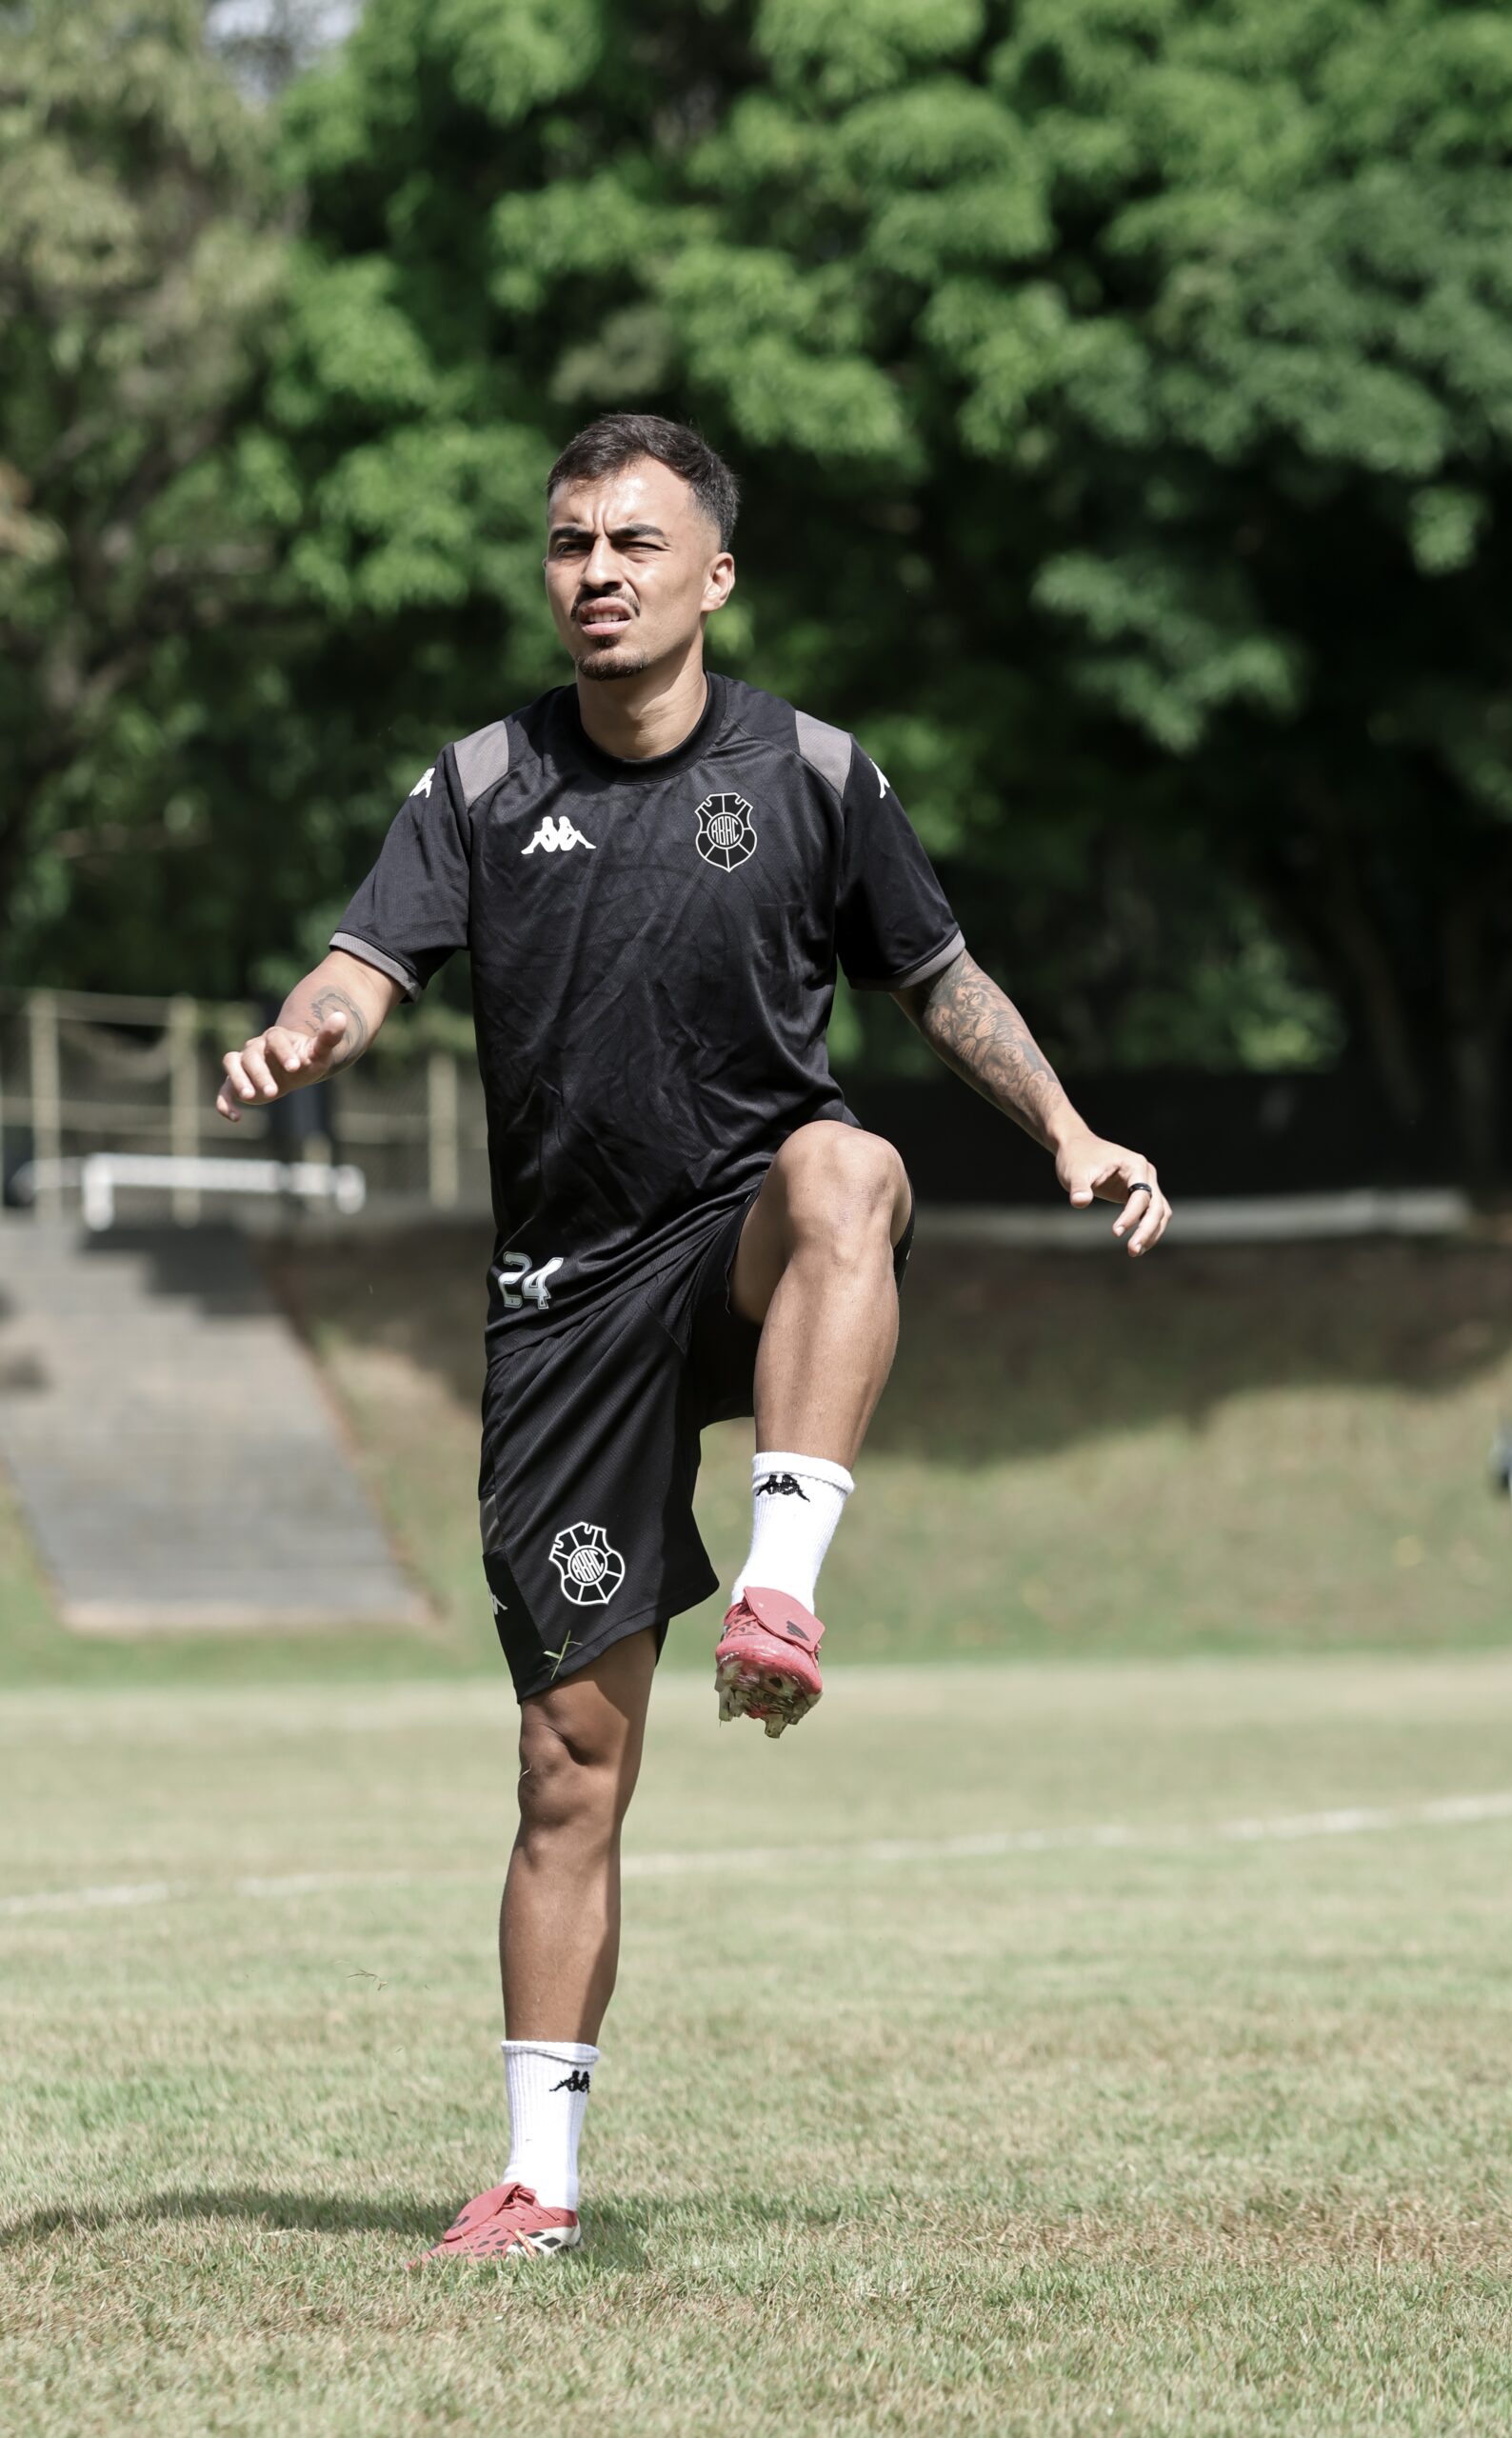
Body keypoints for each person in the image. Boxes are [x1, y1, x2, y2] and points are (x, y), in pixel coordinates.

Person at [215, 413, 1172, 2264]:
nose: (595, 573)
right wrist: (304, 1026)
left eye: (634, 543)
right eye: (569, 543)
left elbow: (938, 977)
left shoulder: (815, 774)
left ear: (711, 573)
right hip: (566, 1302)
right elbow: (364, 960)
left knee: (848, 1166)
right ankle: (535, 2178)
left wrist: (1065, 1131)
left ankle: (785, 1584)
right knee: (569, 1762)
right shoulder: (482, 782)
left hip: (741, 1239)